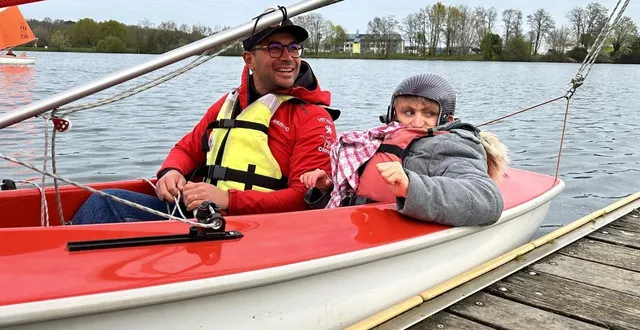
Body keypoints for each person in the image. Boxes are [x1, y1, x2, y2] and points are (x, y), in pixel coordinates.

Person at [71, 9, 339, 224]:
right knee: (104, 200)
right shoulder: (229, 103)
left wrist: (228, 200)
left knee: (104, 205)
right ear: (249, 59)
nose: (288, 58)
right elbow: (187, 148)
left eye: (293, 48)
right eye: (274, 48)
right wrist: (171, 171)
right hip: (201, 216)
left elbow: (304, 199)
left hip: (251, 229)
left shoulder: (312, 118)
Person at [300, 73, 508, 227]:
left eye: (429, 113)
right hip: (357, 228)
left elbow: (487, 199)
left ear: (446, 119)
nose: (417, 121)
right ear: (394, 114)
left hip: (397, 241)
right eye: (408, 112)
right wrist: (326, 188)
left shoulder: (450, 145)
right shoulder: (375, 141)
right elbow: (353, 197)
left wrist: (411, 188)